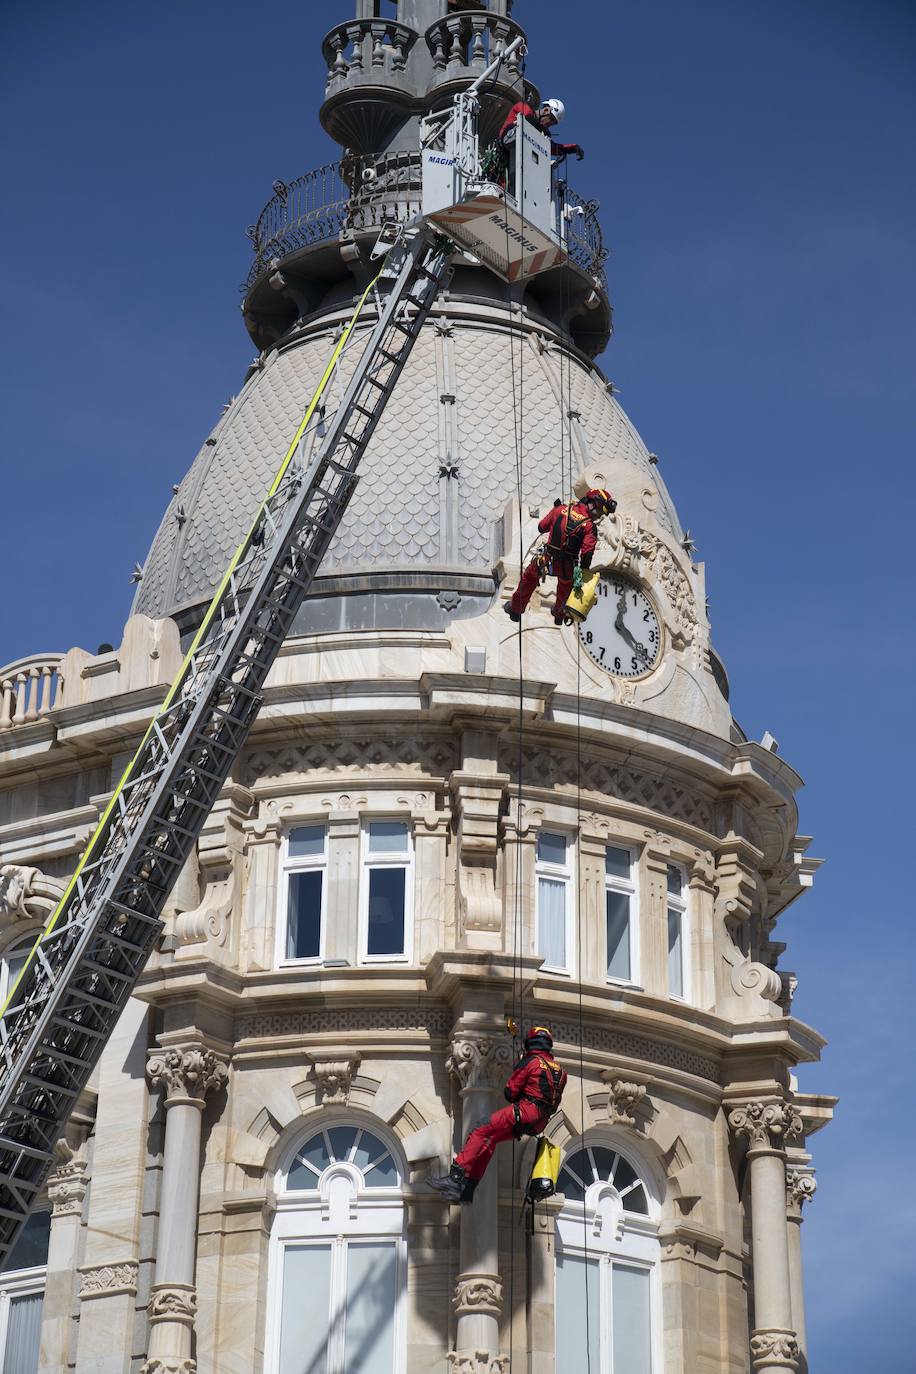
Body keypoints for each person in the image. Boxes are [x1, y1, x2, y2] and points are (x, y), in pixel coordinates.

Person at [429, 1026, 567, 1203]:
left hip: (526, 1112)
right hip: (540, 1121)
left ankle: (455, 1177)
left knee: (480, 1130)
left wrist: (520, 1066)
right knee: (491, 1139)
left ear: (530, 1043)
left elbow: (510, 1092)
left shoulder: (531, 1062)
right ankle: (468, 1191)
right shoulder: (562, 1072)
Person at [504, 487, 616, 625]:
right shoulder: (589, 526)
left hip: (547, 560)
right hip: (567, 567)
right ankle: (559, 615)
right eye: (599, 511)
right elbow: (587, 552)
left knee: (529, 577)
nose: (598, 516)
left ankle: (515, 610)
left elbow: (541, 527)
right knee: (565, 587)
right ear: (591, 503)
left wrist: (556, 517)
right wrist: (583, 572)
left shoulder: (560, 509)